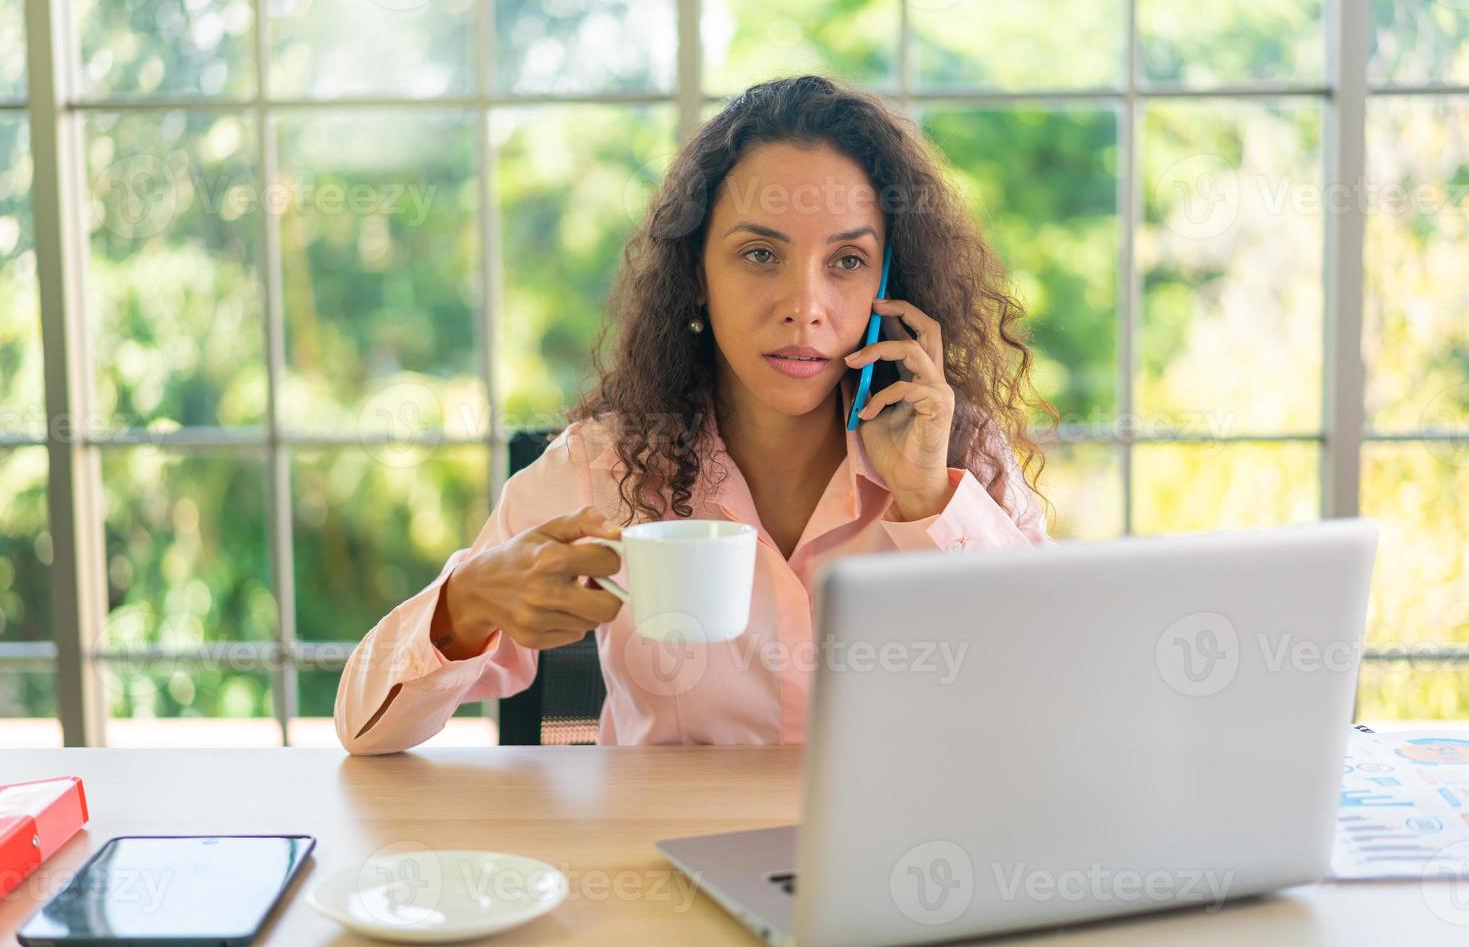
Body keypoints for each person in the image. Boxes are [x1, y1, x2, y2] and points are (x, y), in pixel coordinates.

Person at [335, 74, 1058, 753]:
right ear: (697, 278)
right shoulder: (604, 466)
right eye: (759, 255)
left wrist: (928, 498)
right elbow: (363, 731)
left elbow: (1053, 698)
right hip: (665, 870)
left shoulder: (959, 455)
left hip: (902, 873)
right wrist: (465, 604)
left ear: (889, 282)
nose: (804, 307)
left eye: (845, 262)